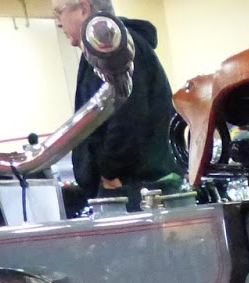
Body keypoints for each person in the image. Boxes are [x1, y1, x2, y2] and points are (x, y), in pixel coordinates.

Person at [55, 0, 179, 210]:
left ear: (83, 9)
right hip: (132, 184)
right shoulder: (114, 48)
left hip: (131, 188)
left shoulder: (114, 49)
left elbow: (128, 114)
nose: (58, 23)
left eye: (59, 13)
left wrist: (110, 173)